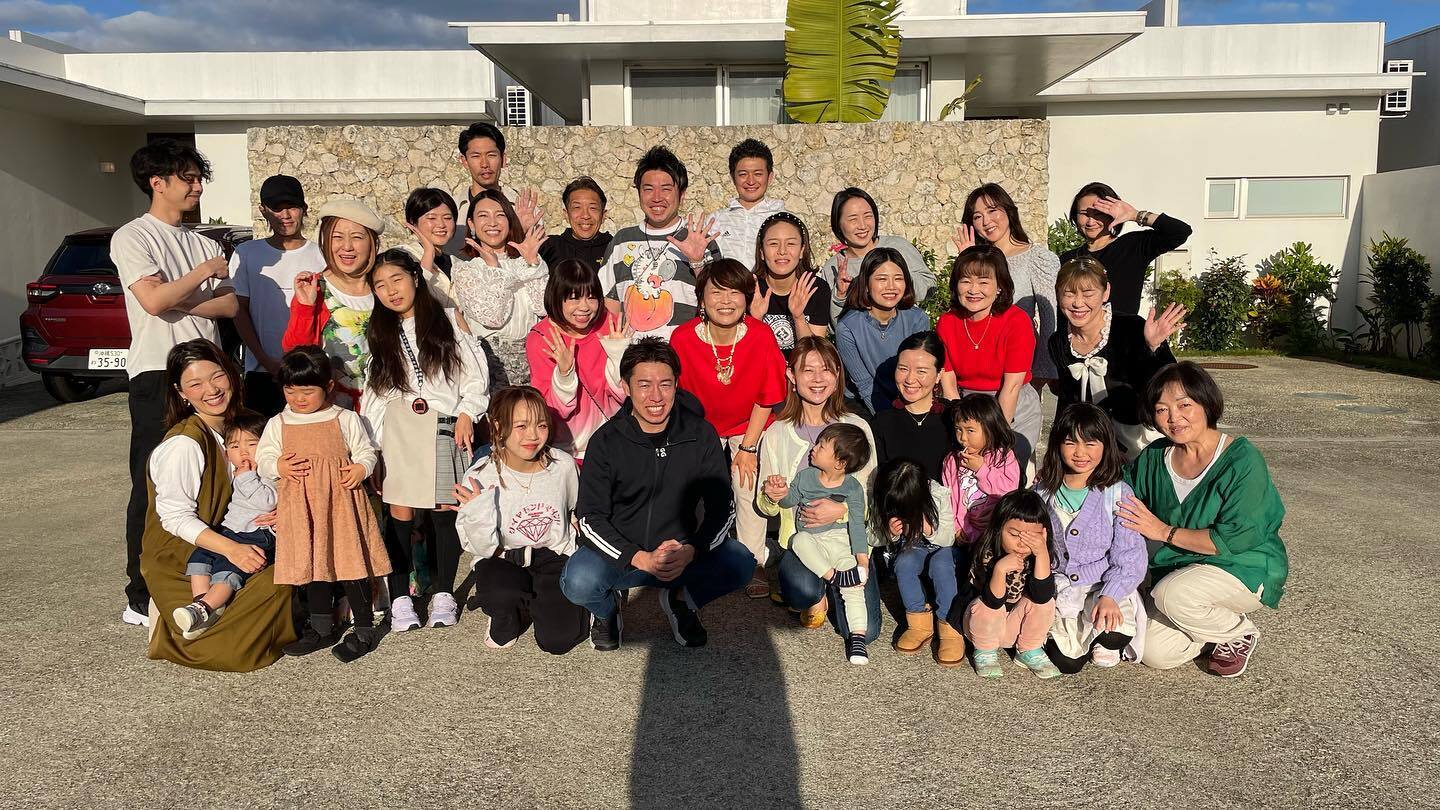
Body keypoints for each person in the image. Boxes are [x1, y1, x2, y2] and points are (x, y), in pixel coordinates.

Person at [114, 139, 239, 627]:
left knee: (215, 477)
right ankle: (139, 594)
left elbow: (228, 305)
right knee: (151, 482)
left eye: (198, 177)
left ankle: (203, 583)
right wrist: (202, 276)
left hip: (210, 372)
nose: (197, 186)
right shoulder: (133, 237)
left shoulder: (204, 241)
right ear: (157, 182)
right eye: (188, 178)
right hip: (157, 374)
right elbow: (151, 303)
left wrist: (174, 295)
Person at [561, 338, 754, 651]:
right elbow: (589, 517)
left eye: (665, 384)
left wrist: (692, 550)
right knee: (578, 581)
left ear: (676, 385)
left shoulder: (700, 434)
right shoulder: (606, 441)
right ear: (626, 387)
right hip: (623, 555)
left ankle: (681, 601)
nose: (656, 396)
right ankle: (608, 611)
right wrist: (637, 557)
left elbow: (723, 507)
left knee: (741, 562)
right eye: (644, 385)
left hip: (681, 553)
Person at [1119, 362, 1288, 678]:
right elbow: (1120, 491)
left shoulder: (1242, 460)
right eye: (1162, 410)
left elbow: (1234, 538)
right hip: (1180, 571)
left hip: (1241, 567)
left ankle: (1238, 632)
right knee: (1153, 650)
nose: (1174, 418)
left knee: (1172, 595)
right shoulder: (1155, 456)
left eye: (1184, 405)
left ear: (1206, 403)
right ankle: (1210, 631)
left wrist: (1163, 532)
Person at [140, 339, 296, 670]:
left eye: (217, 377)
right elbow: (174, 518)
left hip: (242, 534)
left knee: (283, 578)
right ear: (181, 392)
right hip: (185, 552)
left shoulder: (249, 425)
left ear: (232, 374)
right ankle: (186, 609)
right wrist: (232, 550)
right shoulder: (184, 444)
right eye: (195, 384)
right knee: (232, 647)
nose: (211, 390)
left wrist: (286, 508)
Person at [361, 250, 489, 634]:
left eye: (397, 279)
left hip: (443, 423)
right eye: (380, 285)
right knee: (399, 514)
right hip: (399, 428)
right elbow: (375, 394)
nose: (391, 291)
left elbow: (474, 375)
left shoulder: (448, 320)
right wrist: (375, 449)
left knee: (444, 510)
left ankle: (444, 592)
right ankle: (400, 597)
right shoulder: (380, 332)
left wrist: (468, 412)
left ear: (415, 278)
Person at [257, 346, 389, 663]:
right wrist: (278, 466)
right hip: (302, 508)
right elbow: (263, 459)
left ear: (328, 386)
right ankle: (321, 627)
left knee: (350, 563)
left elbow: (366, 451)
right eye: (291, 391)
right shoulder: (278, 423)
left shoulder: (345, 418)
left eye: (307, 391)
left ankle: (364, 628)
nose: (299, 399)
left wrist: (361, 468)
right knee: (313, 564)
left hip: (341, 504)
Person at [670, 260, 787, 597]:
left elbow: (768, 395)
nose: (725, 301)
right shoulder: (683, 337)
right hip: (700, 427)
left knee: (745, 481)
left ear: (746, 298)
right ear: (701, 299)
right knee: (692, 485)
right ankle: (692, 554)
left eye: (734, 292)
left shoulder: (760, 335)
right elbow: (679, 398)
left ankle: (752, 561)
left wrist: (748, 448)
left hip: (748, 424)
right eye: (716, 292)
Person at [756, 337, 881, 631]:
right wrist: (772, 495)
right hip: (803, 541)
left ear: (837, 375)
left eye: (826, 369)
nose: (817, 379)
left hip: (848, 542)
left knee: (866, 631)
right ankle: (815, 592)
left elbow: (872, 493)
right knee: (802, 591)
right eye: (808, 370)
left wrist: (842, 511)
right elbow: (767, 507)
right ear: (792, 376)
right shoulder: (777, 433)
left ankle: (836, 586)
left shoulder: (857, 427)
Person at [453, 387, 590, 654]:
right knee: (501, 594)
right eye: (521, 426)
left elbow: (576, 509)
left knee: (558, 641)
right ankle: (505, 615)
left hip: (553, 556)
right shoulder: (480, 475)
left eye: (541, 425)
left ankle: (543, 604)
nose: (532, 435)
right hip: (502, 558)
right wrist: (478, 512)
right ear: (498, 426)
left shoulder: (563, 466)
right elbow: (478, 547)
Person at [1034, 404, 1148, 673]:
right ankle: (1074, 635)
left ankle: (1106, 641)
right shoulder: (1042, 492)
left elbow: (1130, 555)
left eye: (1090, 443)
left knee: (1114, 631)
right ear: (1057, 445)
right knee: (1067, 663)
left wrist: (1110, 595)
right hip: (1060, 586)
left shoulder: (1117, 493)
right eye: (1070, 442)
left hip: (1102, 583)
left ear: (1106, 446)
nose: (1080, 453)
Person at [1050, 256, 1185, 459]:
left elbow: (1169, 385)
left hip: (1139, 440)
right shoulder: (1058, 341)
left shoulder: (1133, 327)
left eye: (1088, 294)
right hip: (1089, 444)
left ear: (1106, 292)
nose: (1078, 303)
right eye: (1068, 294)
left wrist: (1153, 347)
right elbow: (1067, 401)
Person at [766, 424, 874, 665]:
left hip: (841, 541)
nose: (813, 448)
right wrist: (779, 492)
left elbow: (857, 525)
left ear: (840, 463)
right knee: (799, 540)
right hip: (812, 542)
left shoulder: (853, 488)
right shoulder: (806, 477)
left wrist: (862, 561)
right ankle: (834, 577)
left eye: (822, 446)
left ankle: (858, 637)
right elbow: (788, 501)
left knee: (854, 590)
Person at [171, 409, 276, 639]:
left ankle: (204, 608)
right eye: (235, 446)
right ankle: (202, 604)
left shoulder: (268, 472)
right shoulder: (238, 472)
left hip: (255, 534)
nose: (243, 452)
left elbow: (267, 502)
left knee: (228, 570)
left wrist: (246, 477)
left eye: (252, 444)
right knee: (200, 557)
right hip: (229, 531)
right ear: (227, 452)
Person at [599, 145, 722, 339]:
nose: (657, 198)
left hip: (682, 351)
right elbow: (609, 302)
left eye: (666, 189)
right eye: (648, 189)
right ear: (639, 193)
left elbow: (719, 300)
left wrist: (697, 263)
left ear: (682, 194)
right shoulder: (621, 241)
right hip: (632, 354)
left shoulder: (700, 241)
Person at [936, 246, 1040, 473]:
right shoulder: (947, 322)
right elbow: (949, 384)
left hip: (1012, 406)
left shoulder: (1017, 321)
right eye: (966, 281)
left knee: (1004, 473)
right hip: (966, 406)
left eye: (983, 282)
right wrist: (963, 425)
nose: (974, 290)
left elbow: (1011, 387)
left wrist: (993, 438)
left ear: (999, 286)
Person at [232, 174, 325, 417]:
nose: (285, 215)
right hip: (260, 372)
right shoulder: (246, 253)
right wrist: (265, 359)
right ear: (263, 211)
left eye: (291, 206)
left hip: (309, 374)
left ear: (304, 208)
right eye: (277, 208)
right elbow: (239, 312)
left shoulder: (322, 255)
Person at [281, 197, 384, 409]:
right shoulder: (315, 288)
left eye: (357, 237)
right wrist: (306, 308)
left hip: (381, 408)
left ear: (372, 243)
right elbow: (296, 354)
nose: (347, 247)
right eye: (337, 237)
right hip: (331, 410)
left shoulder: (383, 288)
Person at [525, 258, 631, 462]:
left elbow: (623, 395)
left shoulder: (610, 326)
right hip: (566, 449)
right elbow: (553, 411)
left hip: (613, 443)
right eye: (573, 298)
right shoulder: (541, 339)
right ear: (556, 297)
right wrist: (564, 374)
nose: (584, 307)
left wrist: (618, 355)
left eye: (591, 297)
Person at [954, 182, 1059, 386]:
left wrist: (1044, 369)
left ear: (1008, 211)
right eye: (977, 216)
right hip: (975, 362)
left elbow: (1050, 317)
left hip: (1019, 362)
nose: (986, 221)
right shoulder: (974, 257)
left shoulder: (1037, 258)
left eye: (992, 211)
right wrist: (969, 261)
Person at [450, 188, 549, 387]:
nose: (493, 222)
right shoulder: (466, 270)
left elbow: (544, 308)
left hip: (534, 364)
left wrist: (531, 263)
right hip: (491, 369)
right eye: (483, 216)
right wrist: (495, 270)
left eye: (500, 215)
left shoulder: (525, 261)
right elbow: (494, 317)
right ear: (471, 224)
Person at [960, 490, 1061, 680]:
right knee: (986, 606)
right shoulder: (987, 552)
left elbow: (1042, 596)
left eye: (1032, 537)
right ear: (999, 529)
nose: (1022, 544)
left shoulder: (1037, 555)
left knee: (1045, 602)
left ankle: (1029, 649)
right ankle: (985, 652)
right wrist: (999, 570)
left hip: (1012, 628)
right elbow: (992, 602)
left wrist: (1041, 553)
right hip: (981, 627)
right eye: (1014, 534)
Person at [1061, 182, 1192, 316]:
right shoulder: (1067, 259)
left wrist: (1135, 215)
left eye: (1098, 214)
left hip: (1123, 329)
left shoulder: (1132, 247)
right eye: (1084, 214)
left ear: (1111, 213)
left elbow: (1180, 232)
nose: (1090, 221)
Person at [877, 459, 960, 666]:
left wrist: (929, 529)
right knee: (903, 563)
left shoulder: (939, 495)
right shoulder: (893, 496)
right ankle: (919, 623)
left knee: (941, 567)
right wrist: (892, 533)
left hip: (942, 547)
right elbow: (881, 537)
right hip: (914, 547)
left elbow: (948, 538)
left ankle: (949, 627)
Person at [835, 247, 930, 414]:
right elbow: (865, 385)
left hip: (910, 395)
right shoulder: (848, 327)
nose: (891, 286)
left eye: (898, 278)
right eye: (882, 279)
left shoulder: (917, 319)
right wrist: (889, 420)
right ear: (866, 284)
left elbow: (921, 372)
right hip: (865, 402)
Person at [818, 187, 935, 322]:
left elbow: (930, 286)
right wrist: (840, 295)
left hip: (907, 331)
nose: (862, 226)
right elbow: (835, 326)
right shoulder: (832, 268)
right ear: (838, 224)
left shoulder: (898, 246)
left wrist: (900, 281)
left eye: (868, 216)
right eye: (853, 219)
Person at [442, 122, 543, 255]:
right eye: (476, 156)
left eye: (491, 155)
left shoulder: (526, 211)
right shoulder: (450, 211)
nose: (484, 164)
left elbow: (535, 259)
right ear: (464, 161)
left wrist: (520, 231)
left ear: (503, 159)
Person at [940, 394, 1020, 546]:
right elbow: (950, 498)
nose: (963, 438)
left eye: (970, 430)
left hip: (996, 533)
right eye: (958, 429)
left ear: (990, 427)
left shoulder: (1003, 457)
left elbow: (1009, 491)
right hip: (964, 533)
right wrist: (958, 527)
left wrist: (981, 469)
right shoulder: (952, 461)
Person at [871, 331, 950, 482]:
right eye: (903, 369)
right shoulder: (882, 422)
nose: (910, 379)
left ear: (939, 375)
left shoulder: (953, 417)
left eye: (921, 371)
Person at [749, 211, 830, 353]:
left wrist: (798, 318)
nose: (782, 251)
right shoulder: (749, 288)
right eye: (773, 243)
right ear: (761, 251)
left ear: (802, 250)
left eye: (791, 243)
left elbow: (815, 354)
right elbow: (746, 353)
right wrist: (756, 320)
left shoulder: (816, 288)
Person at [711, 138, 786, 269]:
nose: (751, 181)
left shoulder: (783, 219)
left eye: (758, 174)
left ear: (770, 177)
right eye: (743, 174)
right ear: (733, 178)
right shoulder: (715, 221)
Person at [400, 186, 460, 306]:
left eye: (447, 218)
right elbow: (412, 300)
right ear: (413, 222)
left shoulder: (457, 263)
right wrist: (428, 253)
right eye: (432, 218)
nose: (441, 224)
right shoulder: (402, 257)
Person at [540, 176, 613, 273]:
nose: (585, 215)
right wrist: (523, 231)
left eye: (592, 208)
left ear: (603, 215)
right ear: (566, 214)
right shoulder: (549, 247)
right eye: (577, 207)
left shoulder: (616, 248)